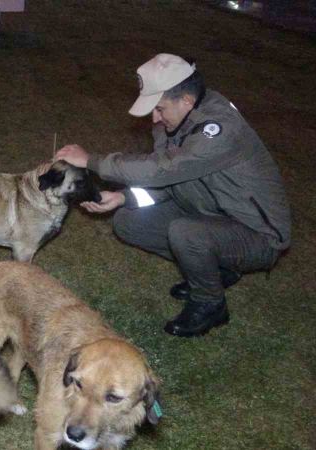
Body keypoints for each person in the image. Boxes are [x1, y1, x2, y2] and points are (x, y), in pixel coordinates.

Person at [54, 53, 291, 338]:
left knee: (186, 233)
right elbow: (170, 182)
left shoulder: (219, 131)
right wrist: (124, 198)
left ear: (187, 101)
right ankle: (212, 271)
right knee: (128, 221)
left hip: (258, 234)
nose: (154, 117)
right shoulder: (176, 121)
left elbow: (161, 170)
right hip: (212, 214)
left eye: (160, 108)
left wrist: (92, 161)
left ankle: (210, 303)